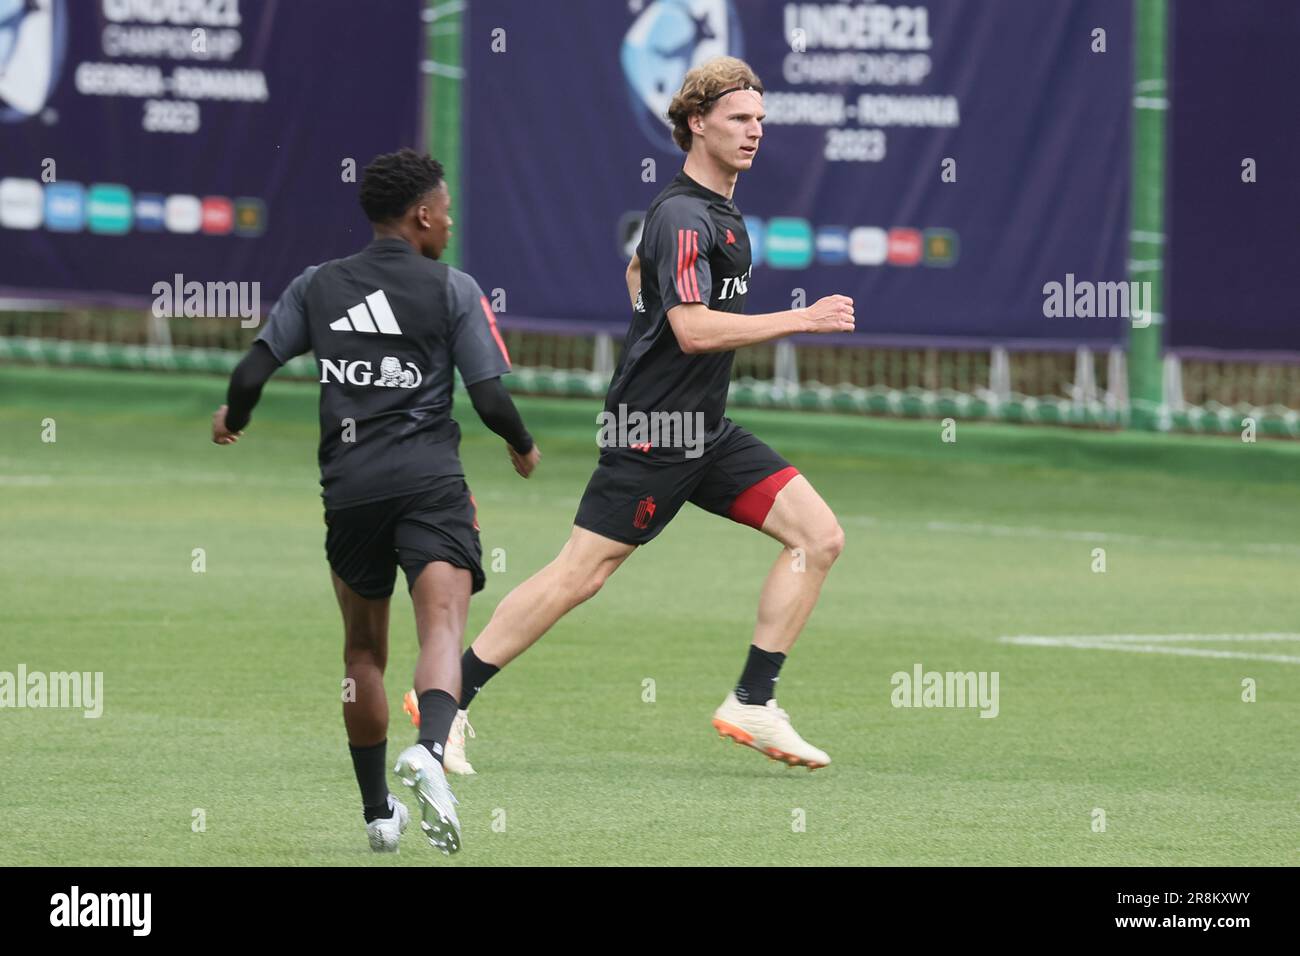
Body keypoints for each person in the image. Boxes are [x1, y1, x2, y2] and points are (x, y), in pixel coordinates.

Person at [438, 56, 853, 775]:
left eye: (759, 120)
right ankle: (446, 705)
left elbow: (640, 277)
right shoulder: (687, 214)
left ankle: (753, 701)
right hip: (655, 430)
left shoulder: (710, 211)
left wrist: (646, 302)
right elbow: (692, 329)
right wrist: (802, 319)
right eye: (738, 120)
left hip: (704, 429)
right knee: (580, 576)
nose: (754, 133)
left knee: (817, 537)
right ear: (697, 123)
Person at [211, 148, 541, 854]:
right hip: (429, 484)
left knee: (362, 652)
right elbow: (487, 396)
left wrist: (232, 420)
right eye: (446, 211)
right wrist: (523, 444)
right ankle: (429, 747)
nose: (450, 224)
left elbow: (251, 370)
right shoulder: (453, 288)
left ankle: (377, 815)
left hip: (350, 491)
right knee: (443, 632)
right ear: (422, 215)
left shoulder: (317, 285)